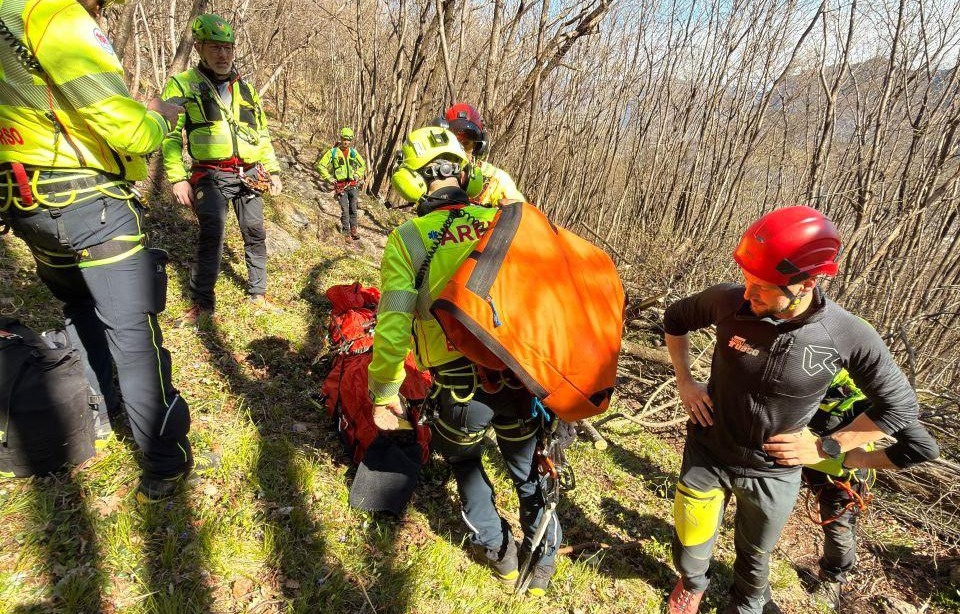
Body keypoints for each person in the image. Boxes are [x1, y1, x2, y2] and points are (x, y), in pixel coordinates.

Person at [662, 206, 922, 613]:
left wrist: (828, 448)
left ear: (807, 283)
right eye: (748, 281)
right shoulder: (729, 302)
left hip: (773, 470)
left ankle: (746, 604)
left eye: (762, 288)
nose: (748, 294)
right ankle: (693, 582)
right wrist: (685, 382)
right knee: (691, 539)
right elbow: (675, 318)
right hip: (709, 448)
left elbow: (900, 405)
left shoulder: (846, 333)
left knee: (755, 554)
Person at [0, 0, 194, 501]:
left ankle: (99, 419)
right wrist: (160, 119)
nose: (104, 9)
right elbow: (127, 129)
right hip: (89, 200)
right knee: (132, 331)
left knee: (80, 307)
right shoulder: (52, 14)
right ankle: (163, 463)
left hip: (27, 204)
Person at [368, 126, 561, 596]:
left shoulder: (408, 239)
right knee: (528, 465)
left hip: (458, 391)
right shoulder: (502, 221)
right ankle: (543, 563)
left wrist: (384, 391)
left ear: (413, 180)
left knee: (465, 462)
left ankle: (502, 556)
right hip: (518, 381)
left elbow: (392, 329)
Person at [161, 13, 283, 324]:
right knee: (212, 234)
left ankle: (258, 294)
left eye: (228, 48)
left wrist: (274, 169)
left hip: (251, 174)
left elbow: (262, 132)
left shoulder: (246, 89)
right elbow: (171, 134)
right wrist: (177, 178)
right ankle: (202, 304)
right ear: (199, 47)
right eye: (215, 48)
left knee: (255, 233)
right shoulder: (182, 84)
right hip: (210, 175)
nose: (223, 55)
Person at [803, 369, 939, 611]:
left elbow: (922, 448)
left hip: (839, 476)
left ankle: (832, 578)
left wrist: (859, 460)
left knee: (839, 532)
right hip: (787, 462)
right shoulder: (790, 374)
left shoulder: (861, 394)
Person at [439, 103, 524, 207]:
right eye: (454, 143)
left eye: (466, 144)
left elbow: (525, 215)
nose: (459, 152)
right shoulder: (432, 173)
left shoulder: (496, 180)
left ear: (478, 147)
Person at [315, 127, 366, 243]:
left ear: (351, 140)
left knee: (353, 208)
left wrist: (358, 174)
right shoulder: (333, 152)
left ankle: (354, 230)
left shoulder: (353, 152)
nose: (346, 142)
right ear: (341, 138)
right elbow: (321, 166)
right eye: (344, 139)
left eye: (348, 140)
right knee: (344, 209)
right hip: (340, 186)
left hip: (353, 185)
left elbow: (363, 165)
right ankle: (346, 232)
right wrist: (329, 178)